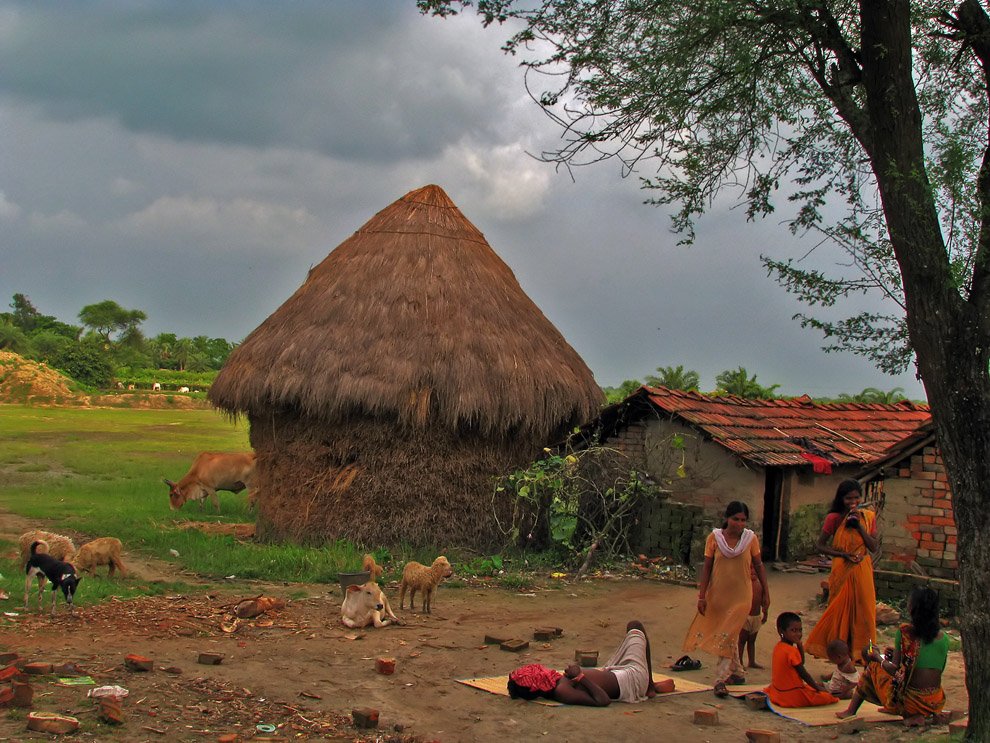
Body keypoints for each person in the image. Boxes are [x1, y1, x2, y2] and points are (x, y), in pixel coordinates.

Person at [683, 501, 771, 697]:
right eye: (735, 519)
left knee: (729, 633)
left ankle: (720, 679)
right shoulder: (714, 538)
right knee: (728, 634)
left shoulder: (750, 539)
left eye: (743, 520)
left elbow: (759, 565)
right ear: (727, 518)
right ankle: (738, 672)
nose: (739, 524)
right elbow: (707, 568)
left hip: (742, 596)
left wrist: (766, 592)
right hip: (719, 595)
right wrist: (702, 596)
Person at [837, 587, 948, 726]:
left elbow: (895, 670)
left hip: (910, 702)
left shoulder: (905, 632)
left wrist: (877, 657)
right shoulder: (944, 638)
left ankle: (851, 711)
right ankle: (920, 714)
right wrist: (898, 654)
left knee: (873, 667)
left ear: (913, 609)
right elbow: (933, 668)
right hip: (935, 701)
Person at [507, 620, 670, 706]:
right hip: (633, 679)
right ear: (536, 685)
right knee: (635, 625)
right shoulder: (562, 691)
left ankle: (649, 684)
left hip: (618, 671)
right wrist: (580, 677)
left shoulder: (557, 681)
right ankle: (649, 685)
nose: (539, 669)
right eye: (535, 673)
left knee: (630, 636)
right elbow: (603, 700)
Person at [805, 479, 879, 660]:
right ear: (841, 499)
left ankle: (863, 653)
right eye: (848, 498)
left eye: (856, 498)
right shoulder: (834, 518)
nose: (853, 502)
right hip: (842, 569)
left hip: (862, 569)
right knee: (838, 611)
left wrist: (858, 526)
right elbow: (820, 545)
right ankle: (839, 653)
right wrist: (843, 555)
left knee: (865, 612)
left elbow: (873, 547)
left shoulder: (868, 517)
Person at [764, 612, 838, 707]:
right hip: (791, 696)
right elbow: (804, 674)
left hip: (778, 692)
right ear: (781, 631)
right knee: (826, 697)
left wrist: (799, 646)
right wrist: (817, 688)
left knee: (811, 688)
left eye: (800, 630)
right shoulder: (791, 651)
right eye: (793, 630)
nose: (798, 634)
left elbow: (800, 662)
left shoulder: (779, 646)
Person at [738, 565, 767, 669]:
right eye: (750, 568)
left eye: (754, 568)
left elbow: (764, 601)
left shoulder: (760, 585)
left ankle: (752, 661)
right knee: (742, 641)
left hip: (756, 617)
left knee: (752, 641)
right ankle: (740, 661)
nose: (752, 571)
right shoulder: (743, 584)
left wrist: (765, 614)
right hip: (745, 617)